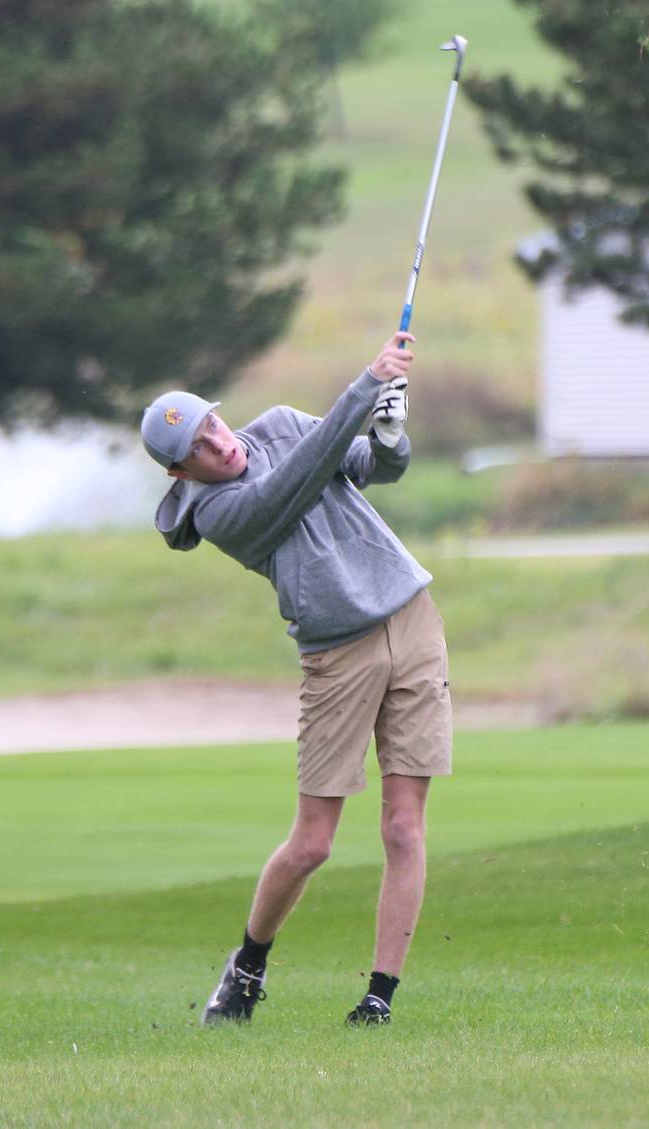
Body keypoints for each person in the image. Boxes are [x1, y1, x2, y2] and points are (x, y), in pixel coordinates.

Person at [139, 332, 451, 1028]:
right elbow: (297, 481)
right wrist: (363, 386)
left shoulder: (279, 423)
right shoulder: (218, 515)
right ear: (180, 473)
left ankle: (379, 997)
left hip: (412, 618)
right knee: (313, 842)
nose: (218, 444)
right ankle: (248, 963)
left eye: (212, 424)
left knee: (404, 827)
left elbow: (373, 465)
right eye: (197, 448)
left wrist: (391, 429)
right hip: (336, 654)